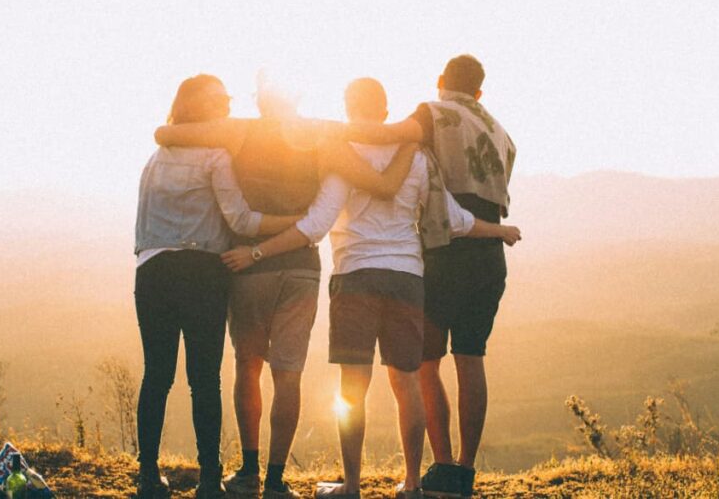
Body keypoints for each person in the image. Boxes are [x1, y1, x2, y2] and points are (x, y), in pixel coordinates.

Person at [221, 78, 521, 499]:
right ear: (385, 112)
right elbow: (453, 218)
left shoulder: (343, 155)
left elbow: (316, 224)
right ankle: (413, 484)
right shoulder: (416, 156)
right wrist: (499, 230)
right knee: (408, 383)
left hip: (356, 275)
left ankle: (353, 485)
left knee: (353, 387)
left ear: (348, 108)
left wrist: (257, 252)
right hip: (407, 278)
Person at [153, 78, 417, 499]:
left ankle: (249, 473)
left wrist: (166, 131)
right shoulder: (322, 133)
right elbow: (379, 159)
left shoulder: (239, 130)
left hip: (248, 265)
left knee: (248, 367)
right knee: (288, 374)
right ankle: (277, 481)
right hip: (301, 267)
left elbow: (168, 133)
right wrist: (411, 135)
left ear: (259, 100)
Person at [348, 55, 518, 498]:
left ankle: (441, 466)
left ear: (441, 81)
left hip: (446, 249)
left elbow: (385, 134)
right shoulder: (501, 132)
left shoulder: (433, 112)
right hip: (489, 253)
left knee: (425, 362)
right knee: (471, 357)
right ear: (479, 91)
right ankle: (465, 469)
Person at [133, 74, 303, 499]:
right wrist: (297, 223)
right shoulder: (215, 156)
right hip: (202, 273)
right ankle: (210, 478)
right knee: (204, 378)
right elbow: (242, 221)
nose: (227, 105)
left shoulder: (156, 158)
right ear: (201, 108)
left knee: (156, 375)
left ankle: (149, 477)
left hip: (152, 270)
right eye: (220, 100)